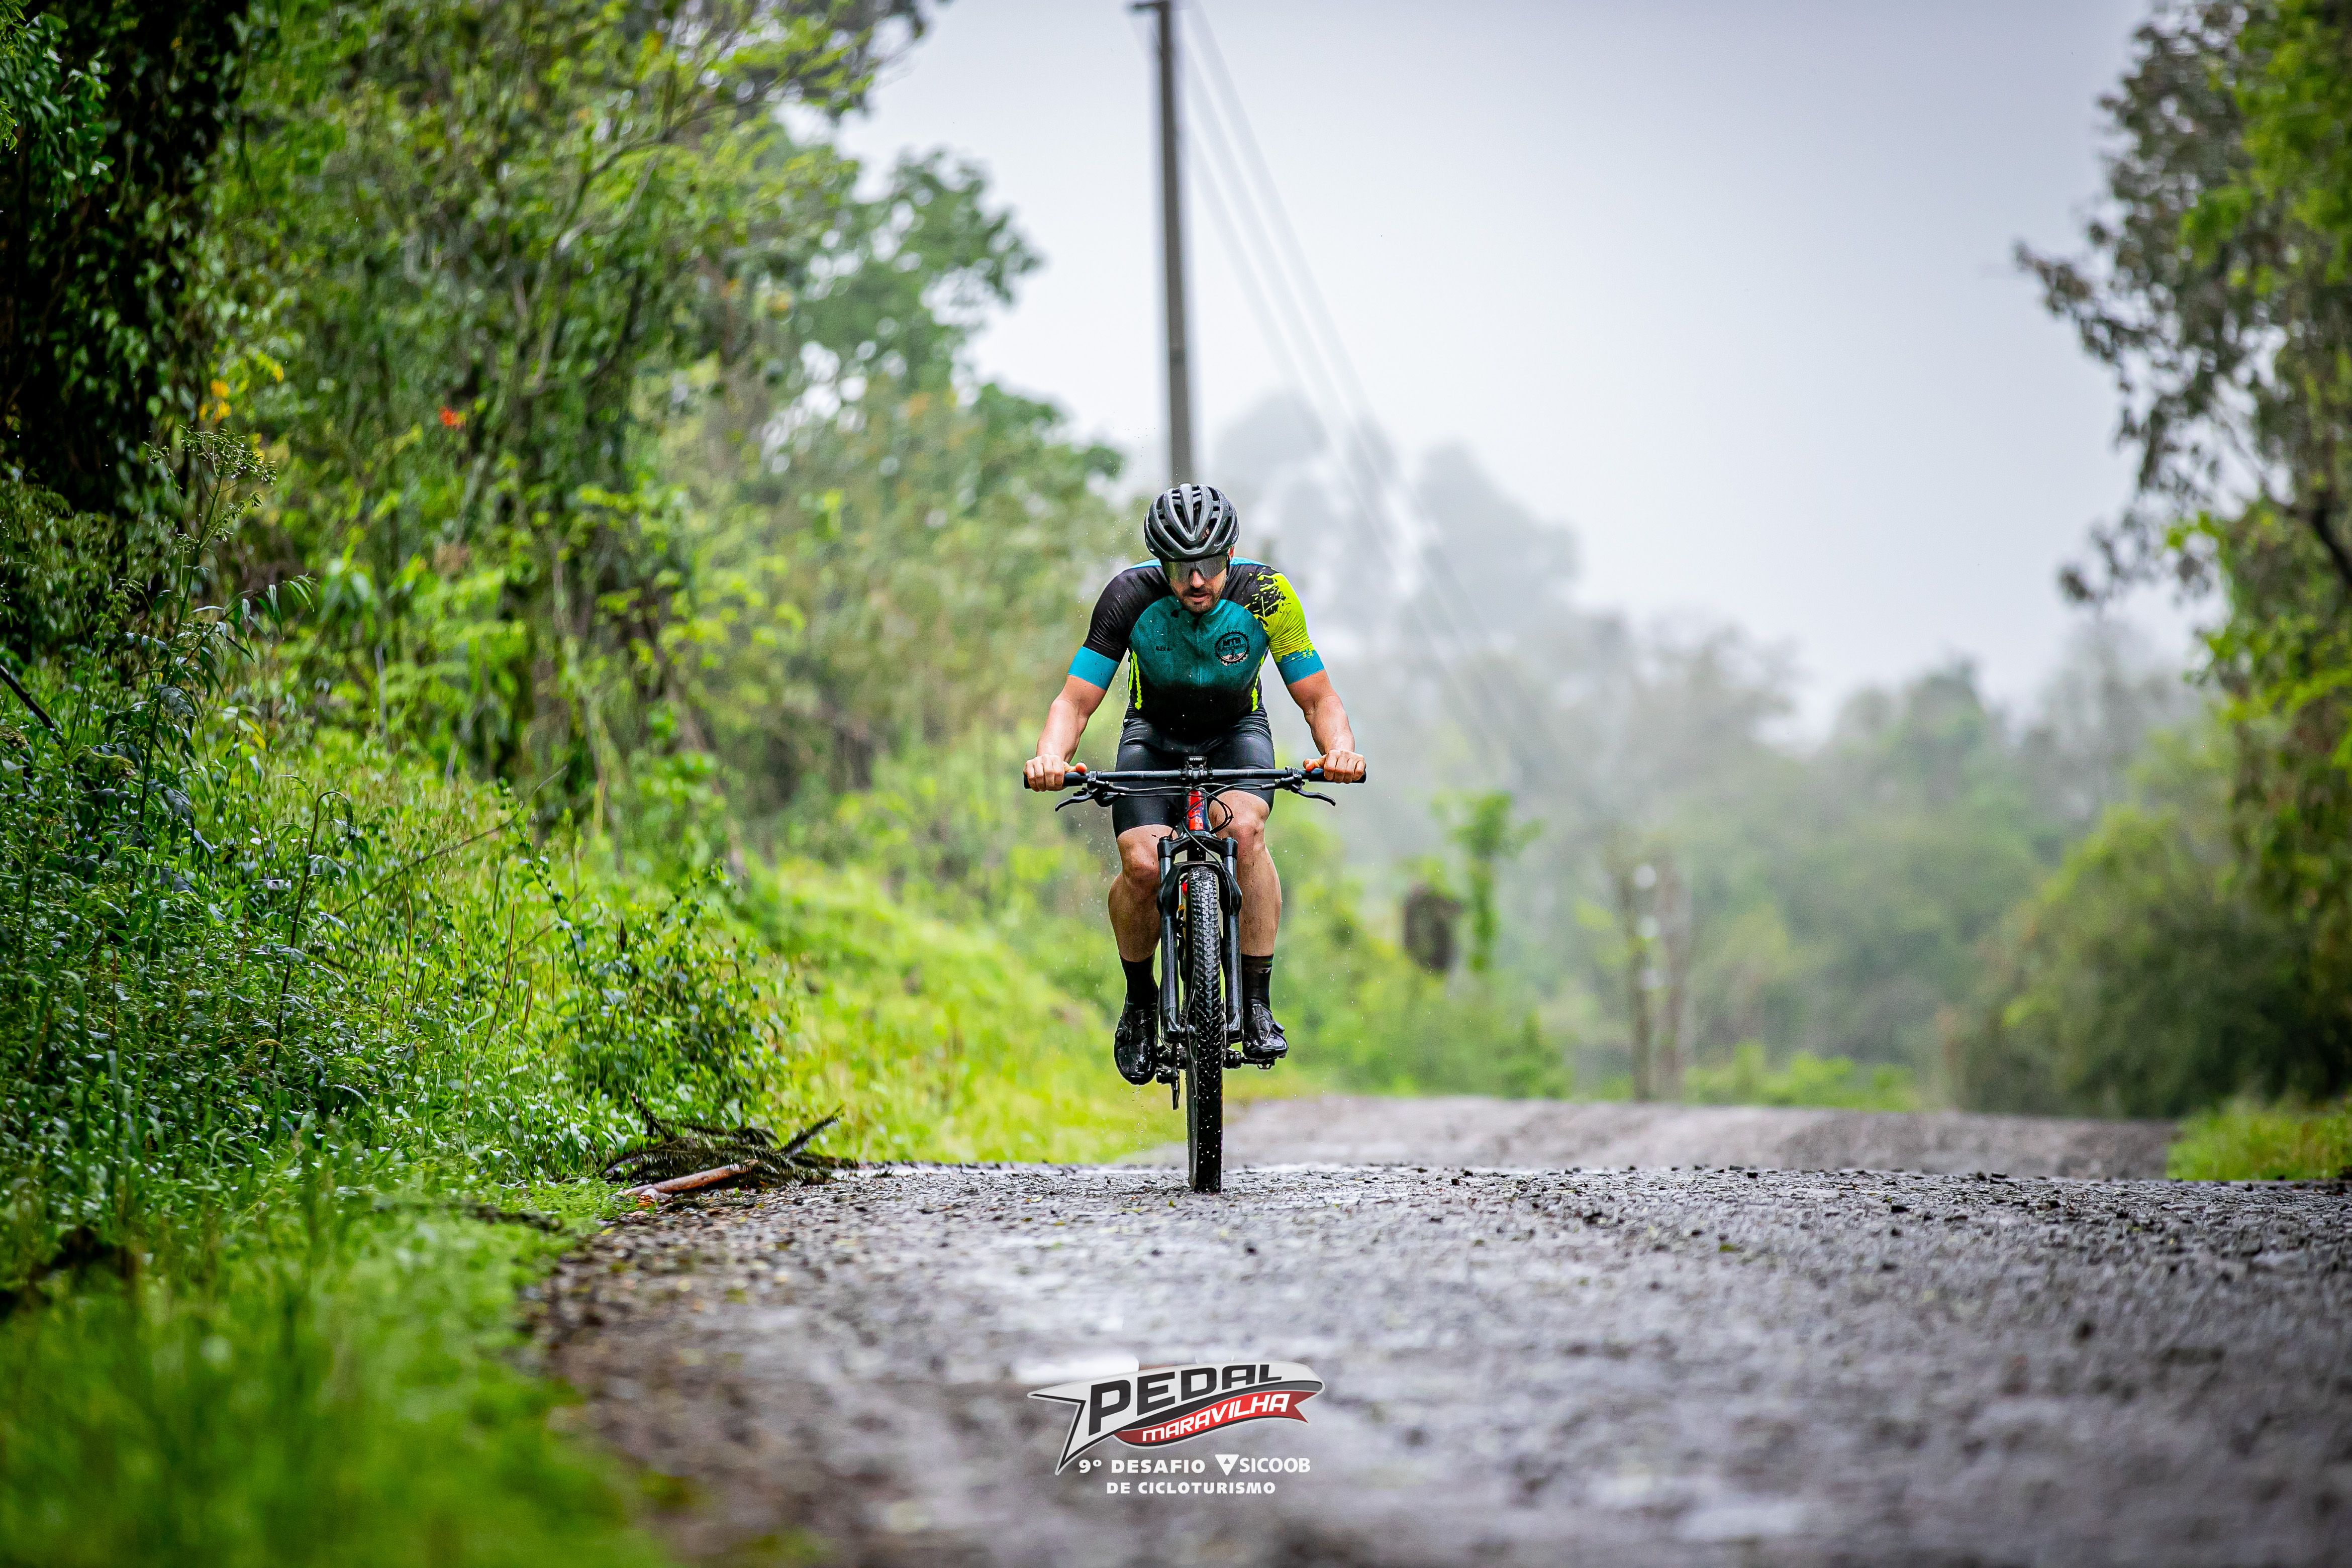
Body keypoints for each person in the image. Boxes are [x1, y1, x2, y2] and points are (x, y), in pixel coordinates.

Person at [1024, 483, 1367, 1086]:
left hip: (1237, 734)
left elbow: (1319, 698)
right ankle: (1139, 1003)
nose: (1197, 580)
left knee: (1246, 832)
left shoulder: (1266, 595)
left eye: (1208, 564)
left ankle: (1256, 1002)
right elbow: (1075, 702)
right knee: (1142, 864)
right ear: (1161, 563)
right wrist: (1050, 758)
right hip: (1152, 737)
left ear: (1230, 554)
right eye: (1181, 567)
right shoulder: (1129, 597)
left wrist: (1338, 750)